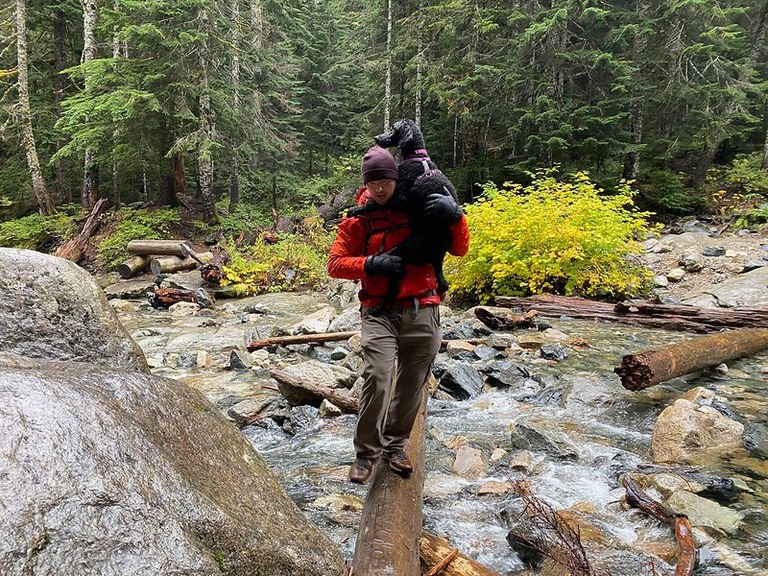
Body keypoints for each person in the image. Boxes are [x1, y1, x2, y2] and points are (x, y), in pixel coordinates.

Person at [327, 146, 470, 484]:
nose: (379, 189)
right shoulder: (358, 219)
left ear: (395, 178)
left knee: (412, 384)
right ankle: (365, 454)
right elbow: (334, 264)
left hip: (423, 309)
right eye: (373, 182)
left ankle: (395, 446)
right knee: (377, 377)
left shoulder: (417, 205)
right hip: (379, 312)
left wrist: (456, 216)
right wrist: (371, 263)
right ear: (366, 184)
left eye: (385, 181)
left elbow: (459, 248)